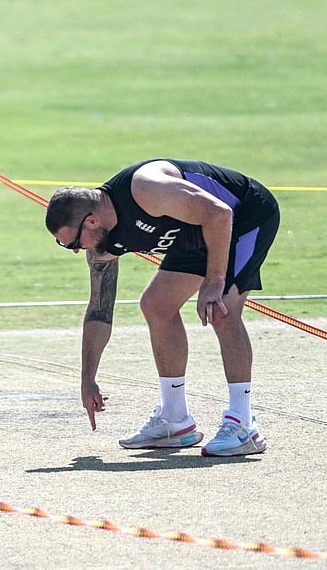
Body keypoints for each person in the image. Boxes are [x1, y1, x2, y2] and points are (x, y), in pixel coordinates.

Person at [45, 158, 279, 457]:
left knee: (222, 310)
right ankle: (175, 419)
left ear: (91, 221)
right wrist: (88, 379)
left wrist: (214, 279)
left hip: (242, 216)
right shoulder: (101, 244)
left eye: (72, 242)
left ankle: (243, 424)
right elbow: (99, 311)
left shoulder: (148, 188)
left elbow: (219, 213)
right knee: (156, 305)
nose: (77, 250)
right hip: (193, 235)